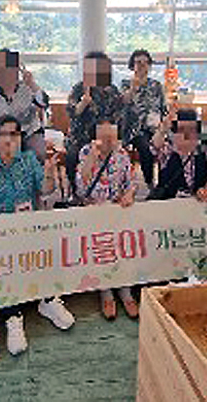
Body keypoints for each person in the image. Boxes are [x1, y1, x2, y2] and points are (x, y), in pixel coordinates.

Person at [0, 116, 75, 356]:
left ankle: (47, 301)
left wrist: (49, 173)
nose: (9, 139)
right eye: (4, 134)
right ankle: (13, 316)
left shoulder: (28, 159)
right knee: (4, 265)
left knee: (46, 250)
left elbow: (45, 190)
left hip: (27, 227)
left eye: (15, 134)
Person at [75, 120, 138, 320]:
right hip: (94, 211)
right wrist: (91, 159)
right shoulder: (86, 152)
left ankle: (125, 291)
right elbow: (80, 188)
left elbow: (131, 183)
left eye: (112, 137)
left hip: (118, 210)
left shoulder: (122, 154)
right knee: (102, 250)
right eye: (104, 138)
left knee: (124, 247)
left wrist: (129, 194)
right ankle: (106, 292)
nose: (109, 142)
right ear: (95, 138)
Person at [65, 51, 123, 197]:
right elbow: (72, 112)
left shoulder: (112, 90)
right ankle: (76, 191)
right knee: (72, 156)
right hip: (80, 136)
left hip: (105, 135)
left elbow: (117, 115)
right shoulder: (79, 88)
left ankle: (111, 190)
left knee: (116, 156)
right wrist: (83, 103)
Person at [0, 48, 49, 163]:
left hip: (30, 132)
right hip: (6, 134)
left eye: (1, 70)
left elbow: (44, 103)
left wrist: (32, 85)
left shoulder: (28, 88)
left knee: (39, 153)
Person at [121, 49, 167, 188]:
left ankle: (164, 182)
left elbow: (163, 108)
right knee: (145, 147)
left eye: (145, 62)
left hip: (155, 127)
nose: (142, 65)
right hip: (135, 129)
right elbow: (123, 103)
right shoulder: (126, 83)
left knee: (168, 146)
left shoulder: (156, 85)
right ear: (132, 65)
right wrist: (133, 89)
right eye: (138, 62)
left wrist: (163, 127)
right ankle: (149, 182)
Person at [149, 109, 207, 201]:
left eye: (192, 130)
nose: (187, 135)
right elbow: (153, 148)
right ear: (175, 133)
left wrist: (206, 189)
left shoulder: (203, 153)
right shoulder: (168, 151)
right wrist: (162, 129)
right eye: (181, 130)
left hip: (195, 203)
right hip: (168, 204)